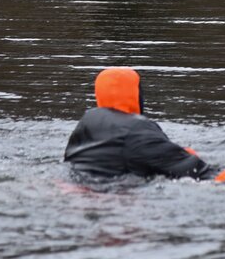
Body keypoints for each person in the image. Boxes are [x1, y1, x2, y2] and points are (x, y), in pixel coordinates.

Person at [64, 67, 213, 179]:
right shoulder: (137, 128)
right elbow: (196, 171)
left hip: (79, 187)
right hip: (116, 196)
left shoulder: (87, 122)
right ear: (135, 94)